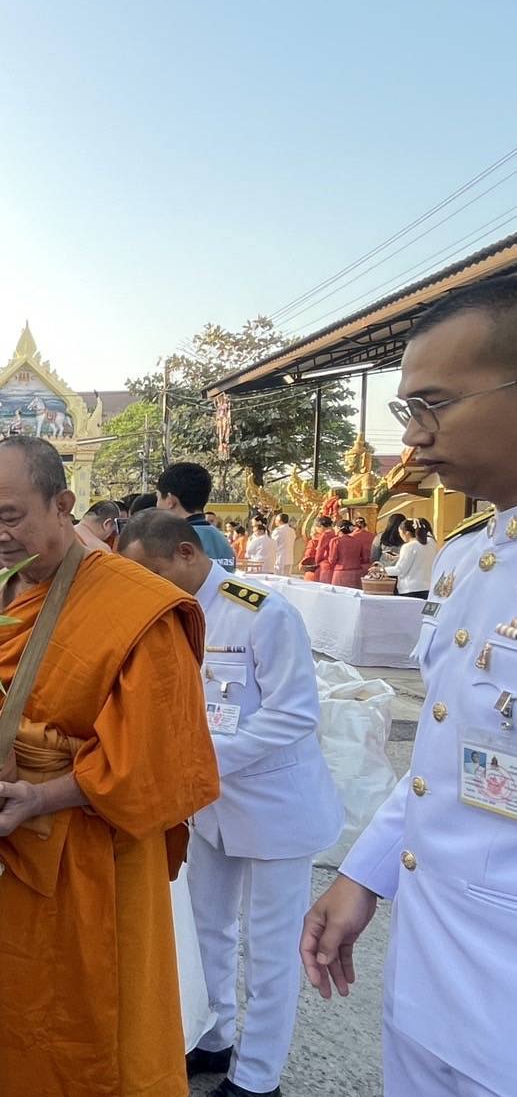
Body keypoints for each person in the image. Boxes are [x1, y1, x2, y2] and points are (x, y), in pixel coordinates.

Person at [0, 436, 219, 1097]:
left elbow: (155, 756)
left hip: (93, 848)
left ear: (62, 504)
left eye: (10, 516)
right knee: (9, 1007)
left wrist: (43, 798)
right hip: (6, 848)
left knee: (95, 1021)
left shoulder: (130, 605)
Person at [301, 275, 517, 1097]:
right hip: (435, 976)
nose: (409, 439)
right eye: (404, 412)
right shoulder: (468, 559)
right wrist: (365, 872)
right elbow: (447, 750)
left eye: (431, 404)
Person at [119, 511, 341, 1097]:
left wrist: (203, 761)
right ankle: (212, 1038)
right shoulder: (167, 616)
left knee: (270, 951)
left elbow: (295, 713)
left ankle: (258, 1077)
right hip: (209, 807)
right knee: (208, 930)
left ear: (188, 555)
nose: (146, 585)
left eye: (154, 571)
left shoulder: (261, 612)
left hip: (273, 809)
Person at [157, 462, 237, 571]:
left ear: (170, 500)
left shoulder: (173, 541)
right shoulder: (223, 541)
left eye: (158, 498)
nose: (157, 506)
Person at [382, 518, 435, 598]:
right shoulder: (431, 543)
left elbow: (400, 570)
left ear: (406, 533)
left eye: (400, 532)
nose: (400, 535)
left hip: (410, 589)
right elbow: (421, 557)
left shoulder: (408, 546)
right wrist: (400, 557)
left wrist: (382, 570)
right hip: (428, 587)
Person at [328, 519, 372, 588]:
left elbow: (332, 560)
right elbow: (365, 558)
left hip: (340, 574)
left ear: (339, 529)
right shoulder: (358, 541)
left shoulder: (335, 541)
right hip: (356, 574)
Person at [303, 516, 335, 581]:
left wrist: (316, 562)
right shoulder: (335, 533)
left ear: (321, 526)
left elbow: (320, 550)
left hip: (325, 563)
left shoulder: (325, 535)